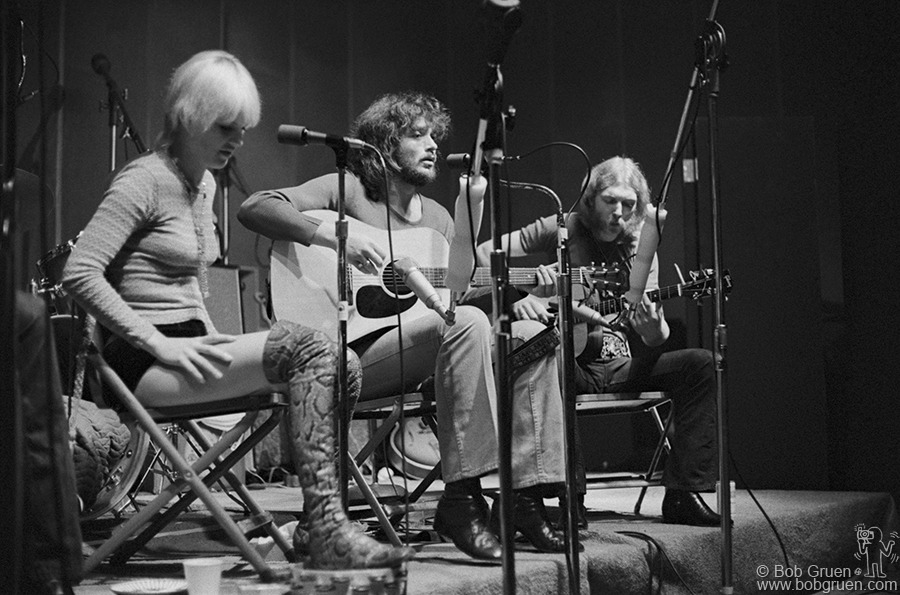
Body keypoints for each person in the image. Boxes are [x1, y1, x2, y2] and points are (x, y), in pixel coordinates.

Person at [61, 50, 413, 569]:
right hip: (143, 363)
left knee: (345, 361)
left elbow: (186, 294)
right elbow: (79, 272)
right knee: (314, 349)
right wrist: (156, 342)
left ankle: (324, 520)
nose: (238, 140)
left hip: (187, 350)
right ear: (190, 116)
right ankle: (328, 532)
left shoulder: (201, 185)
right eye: (226, 126)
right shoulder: (143, 180)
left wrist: (215, 341)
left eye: (244, 129)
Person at [238, 91, 569, 559]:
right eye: (418, 135)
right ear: (384, 145)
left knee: (533, 335)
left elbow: (455, 288)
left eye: (435, 135)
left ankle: (527, 499)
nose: (433, 144)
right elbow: (256, 207)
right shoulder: (348, 190)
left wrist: (471, 217)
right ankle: (462, 497)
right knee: (469, 321)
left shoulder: (436, 218)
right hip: (351, 355)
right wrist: (329, 236)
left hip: (425, 348)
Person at [475, 156, 721, 527]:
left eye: (629, 204)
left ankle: (684, 494)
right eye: (611, 200)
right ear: (591, 198)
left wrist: (654, 329)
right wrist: (520, 297)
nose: (620, 212)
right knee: (546, 360)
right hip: (569, 363)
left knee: (701, 363)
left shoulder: (641, 244)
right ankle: (568, 499)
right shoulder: (563, 227)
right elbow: (481, 256)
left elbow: (652, 336)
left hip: (621, 364)